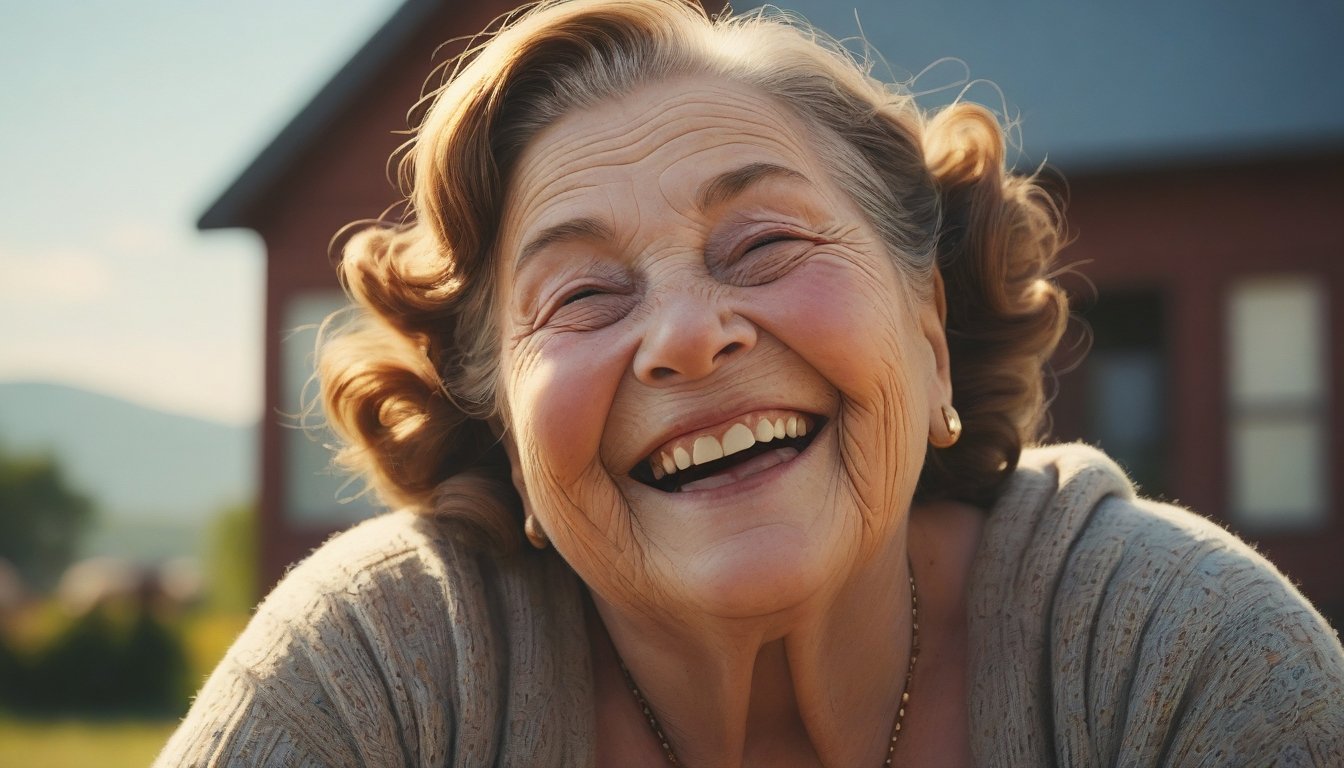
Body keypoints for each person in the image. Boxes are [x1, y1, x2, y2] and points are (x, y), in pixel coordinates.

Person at [155, 0, 1344, 765]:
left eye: (765, 245)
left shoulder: (1175, 660)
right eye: (581, 297)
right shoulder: (391, 677)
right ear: (510, 438)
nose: (686, 336)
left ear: (928, 327)